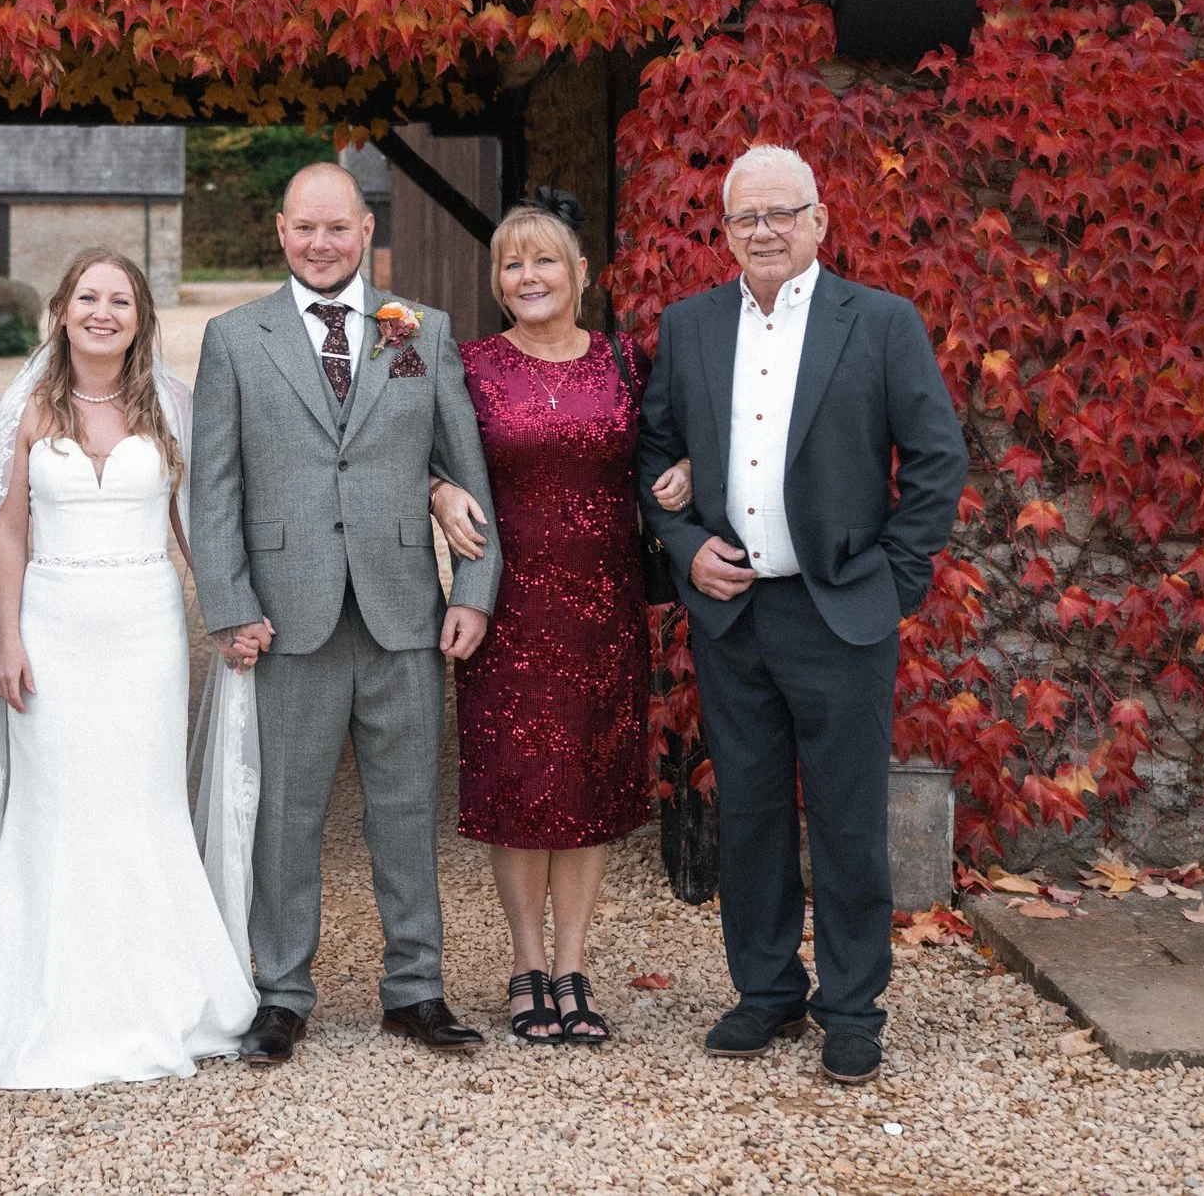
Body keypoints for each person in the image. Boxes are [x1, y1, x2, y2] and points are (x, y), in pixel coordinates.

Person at [636, 144, 966, 1087]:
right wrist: (683, 539)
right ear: (726, 230)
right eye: (746, 217)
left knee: (850, 818)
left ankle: (853, 1005)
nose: (764, 230)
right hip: (733, 613)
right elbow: (656, 451)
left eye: (783, 213)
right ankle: (768, 988)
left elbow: (937, 459)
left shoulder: (883, 322)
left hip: (840, 613)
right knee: (747, 813)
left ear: (820, 220)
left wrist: (895, 580)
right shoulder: (691, 325)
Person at [0, 249, 258, 1088]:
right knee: (56, 805)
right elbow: (8, 531)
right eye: (89, 296)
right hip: (54, 633)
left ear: (141, 318)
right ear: (62, 309)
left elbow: (195, 525)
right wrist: (9, 638)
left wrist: (230, 612)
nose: (104, 312)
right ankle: (44, 1001)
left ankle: (156, 992)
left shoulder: (170, 406)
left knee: (142, 803)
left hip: (146, 636)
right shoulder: (29, 406)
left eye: (121, 300)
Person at [189, 162, 504, 1066]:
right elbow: (213, 488)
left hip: (405, 609)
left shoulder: (420, 330)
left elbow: (462, 470)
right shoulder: (234, 339)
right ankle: (282, 991)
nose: (321, 244)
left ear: (367, 231)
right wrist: (230, 604)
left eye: (339, 228)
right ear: (281, 231)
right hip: (288, 620)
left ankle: (415, 988)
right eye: (304, 228)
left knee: (407, 811)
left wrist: (475, 591)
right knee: (284, 815)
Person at [429, 197, 692, 1046]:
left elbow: (675, 441)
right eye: (512, 264)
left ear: (580, 275)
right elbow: (406, 449)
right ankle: (526, 964)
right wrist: (437, 490)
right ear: (498, 281)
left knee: (585, 783)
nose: (529, 277)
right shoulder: (467, 365)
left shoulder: (626, 357)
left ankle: (574, 965)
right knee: (520, 788)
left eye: (546, 261)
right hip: (510, 606)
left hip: (603, 606)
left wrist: (685, 469)